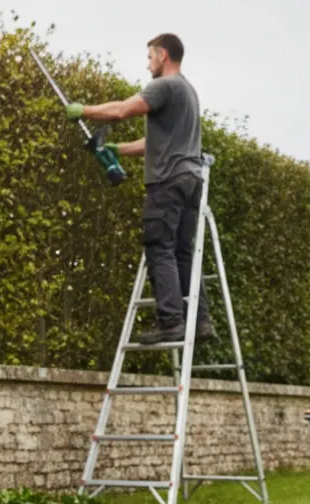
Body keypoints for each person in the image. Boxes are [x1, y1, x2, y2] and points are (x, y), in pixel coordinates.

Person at [64, 33, 214, 344]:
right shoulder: (188, 92)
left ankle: (170, 321)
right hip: (191, 180)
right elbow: (153, 144)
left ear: (163, 55)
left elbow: (122, 110)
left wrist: (84, 110)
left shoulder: (165, 86)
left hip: (168, 182)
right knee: (183, 253)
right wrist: (116, 150)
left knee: (159, 245)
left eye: (149, 58)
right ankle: (200, 322)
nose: (147, 65)